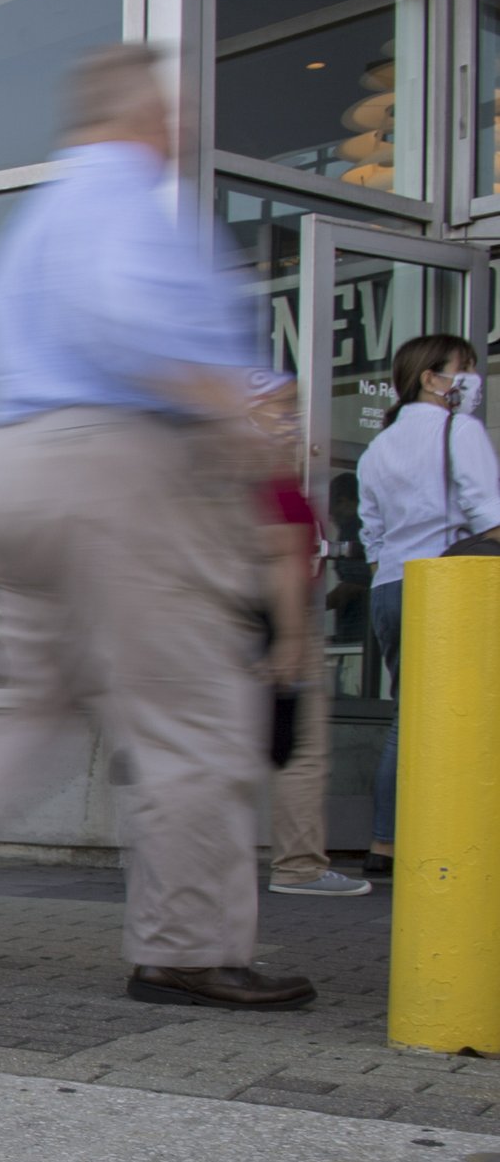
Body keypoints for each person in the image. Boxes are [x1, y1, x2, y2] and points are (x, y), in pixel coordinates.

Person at [0, 45, 314, 1010]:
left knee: (34, 710)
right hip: (117, 471)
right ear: (142, 116)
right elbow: (123, 320)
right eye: (169, 111)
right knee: (196, 716)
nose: (179, 129)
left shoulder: (41, 216)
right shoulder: (130, 198)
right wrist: (236, 408)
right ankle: (187, 947)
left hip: (19, 472)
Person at [355, 332, 500, 881]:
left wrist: (392, 575)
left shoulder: (378, 446)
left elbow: (371, 533)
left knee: (408, 715)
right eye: (462, 368)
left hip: (391, 585)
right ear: (430, 379)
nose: (470, 379)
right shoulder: (459, 430)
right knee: (464, 712)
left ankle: (384, 842)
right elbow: (487, 513)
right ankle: (452, 834)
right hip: (451, 584)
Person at [248, 376, 365, 897]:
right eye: (282, 409)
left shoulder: (259, 472)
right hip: (276, 619)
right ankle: (299, 866)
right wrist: (292, 636)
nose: (294, 423)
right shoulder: (259, 473)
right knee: (301, 749)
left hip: (265, 620)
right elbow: (279, 553)